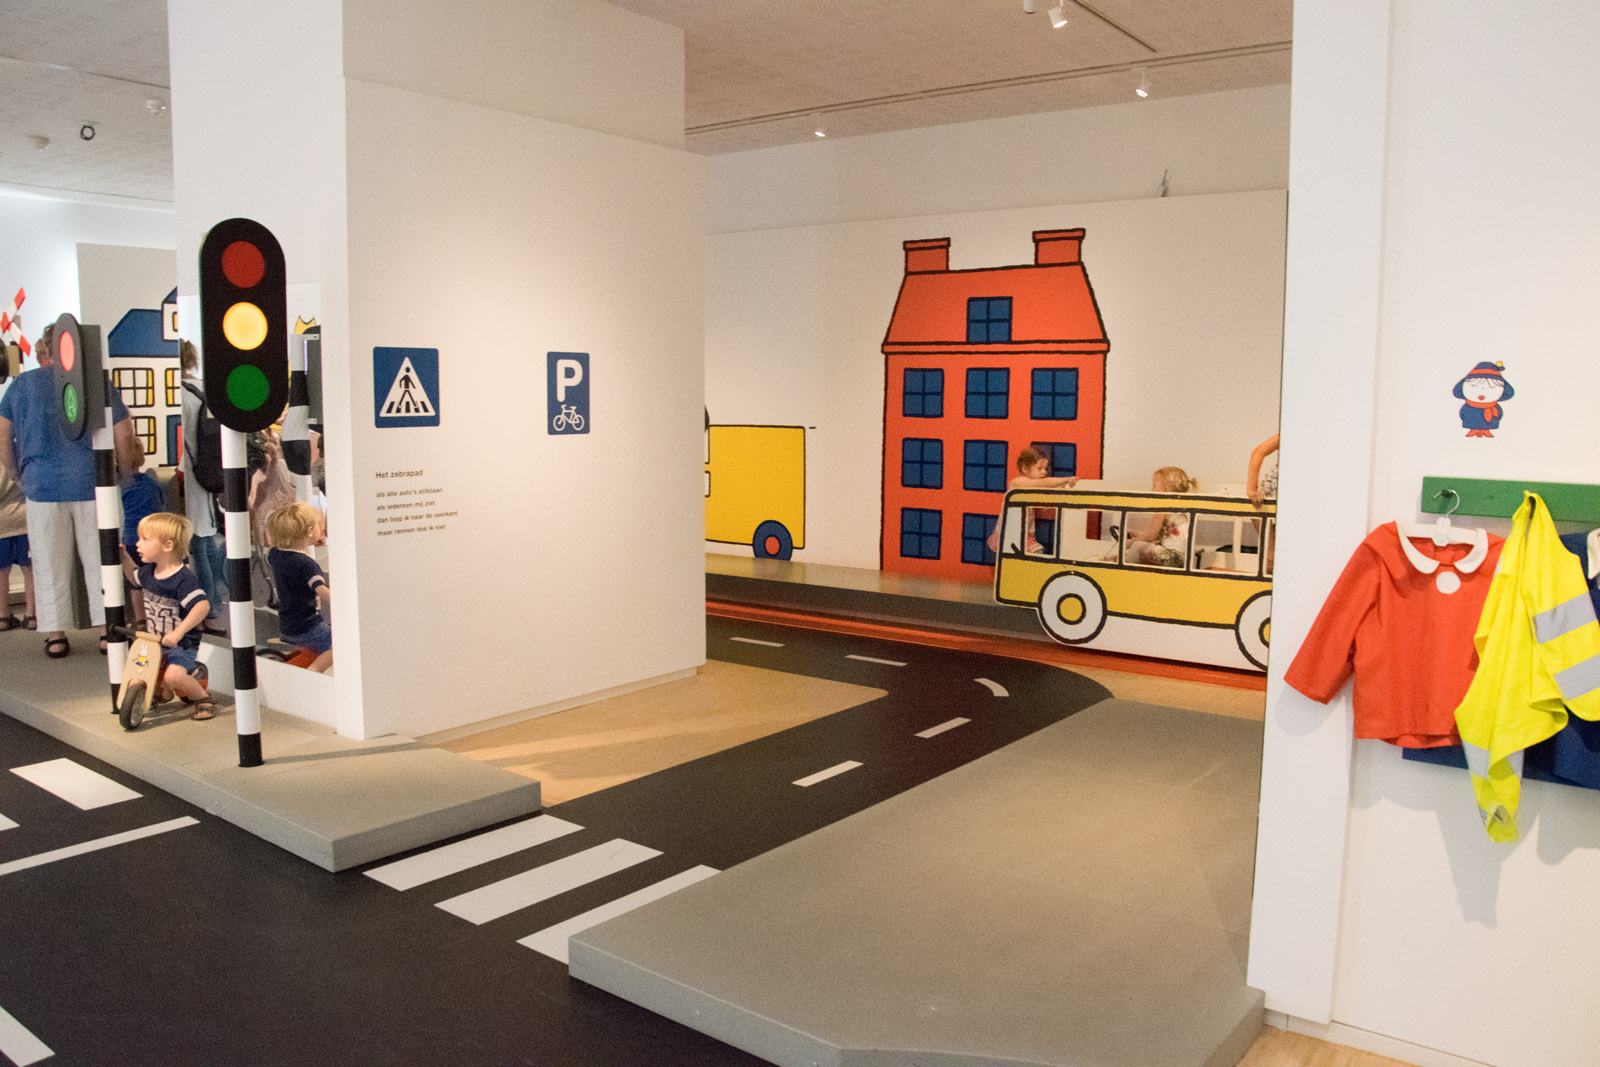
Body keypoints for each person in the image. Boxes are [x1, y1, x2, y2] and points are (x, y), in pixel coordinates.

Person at [0, 321, 139, 657]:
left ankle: (56, 635)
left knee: (49, 563)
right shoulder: (98, 383)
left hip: (42, 485)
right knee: (103, 560)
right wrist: (125, 474)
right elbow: (124, 435)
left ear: (46, 348)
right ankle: (108, 631)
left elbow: (3, 436)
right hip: (95, 484)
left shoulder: (21, 386)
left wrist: (18, 475)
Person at [125, 512, 218, 720]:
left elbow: (201, 605)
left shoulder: (182, 580)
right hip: (154, 641)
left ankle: (203, 698)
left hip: (181, 644)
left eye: (145, 539)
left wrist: (178, 632)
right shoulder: (149, 572)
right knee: (138, 671)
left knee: (173, 675)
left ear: (167, 546)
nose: (138, 544)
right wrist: (122, 555)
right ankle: (160, 691)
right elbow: (133, 575)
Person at [178, 340, 227, 634]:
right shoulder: (206, 390)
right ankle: (215, 603)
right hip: (210, 471)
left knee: (197, 544)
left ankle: (206, 608)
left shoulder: (179, 394)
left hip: (189, 471)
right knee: (207, 540)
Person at [266, 501, 333, 673]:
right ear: (310, 531)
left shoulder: (275, 554)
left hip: (287, 624)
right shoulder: (307, 564)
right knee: (337, 645)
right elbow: (321, 590)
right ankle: (313, 671)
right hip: (307, 625)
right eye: (319, 525)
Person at [988, 446, 1078, 554]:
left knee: (1033, 554)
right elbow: (1042, 483)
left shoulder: (1032, 487)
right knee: (1033, 553)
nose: (1044, 472)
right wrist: (1066, 480)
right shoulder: (1018, 482)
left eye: (1045, 468)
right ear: (1025, 468)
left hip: (1024, 534)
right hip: (1010, 533)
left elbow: (1046, 491)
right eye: (1039, 468)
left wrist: (1063, 487)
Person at [118, 436, 165, 622]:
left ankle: (140, 620)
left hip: (129, 539)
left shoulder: (120, 487)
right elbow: (160, 506)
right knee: (154, 578)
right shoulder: (151, 483)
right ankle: (157, 617)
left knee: (135, 582)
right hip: (152, 538)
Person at [247, 429, 296, 608]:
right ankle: (277, 592)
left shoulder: (258, 473)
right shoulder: (276, 467)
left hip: (266, 518)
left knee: (266, 556)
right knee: (275, 556)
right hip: (277, 517)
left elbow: (251, 501)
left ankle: (274, 591)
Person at [1125, 466, 1196, 567]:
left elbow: (1151, 536)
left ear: (1166, 490)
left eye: (1154, 485)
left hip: (1172, 557)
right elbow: (1158, 534)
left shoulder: (1162, 507)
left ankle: (1121, 570)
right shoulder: (1177, 508)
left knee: (1137, 546)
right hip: (1182, 560)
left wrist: (1130, 543)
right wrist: (1135, 533)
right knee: (1142, 547)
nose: (1152, 489)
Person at [0, 458, 36, 631]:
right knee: (30, 570)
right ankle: (32, 615)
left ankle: (3, 616)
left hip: (2, 522)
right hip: (25, 518)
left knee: (1, 572)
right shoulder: (18, 451)